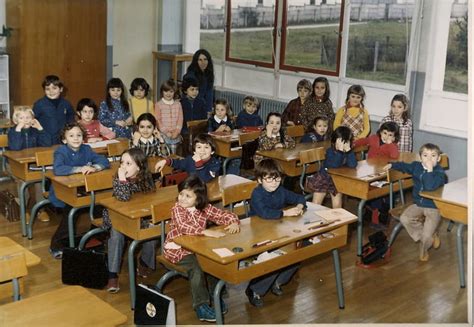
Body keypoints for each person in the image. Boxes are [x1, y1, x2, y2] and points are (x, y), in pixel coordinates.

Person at [163, 175, 239, 322]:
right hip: (177, 249)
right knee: (197, 268)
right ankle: (201, 306)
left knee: (213, 263)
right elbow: (183, 227)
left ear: (198, 199)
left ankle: (215, 296)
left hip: (198, 248)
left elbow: (223, 215)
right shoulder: (177, 209)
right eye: (181, 194)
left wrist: (233, 221)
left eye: (188, 196)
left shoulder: (204, 208)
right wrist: (204, 231)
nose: (182, 199)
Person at [246, 158, 305, 307]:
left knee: (298, 252)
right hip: (259, 233)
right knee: (273, 260)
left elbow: (299, 197)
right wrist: (285, 213)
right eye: (269, 179)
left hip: (277, 230)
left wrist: (299, 205)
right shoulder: (257, 193)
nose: (274, 183)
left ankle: (277, 282)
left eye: (277, 178)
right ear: (260, 180)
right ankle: (254, 290)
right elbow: (264, 213)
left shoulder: (281, 190)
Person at [49, 122, 110, 259]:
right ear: (64, 140)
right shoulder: (61, 151)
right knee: (71, 212)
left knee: (101, 207)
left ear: (83, 138)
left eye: (79, 135)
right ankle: (56, 245)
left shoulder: (86, 149)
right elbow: (58, 169)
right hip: (63, 192)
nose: (76, 138)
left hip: (83, 190)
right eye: (71, 136)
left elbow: (104, 161)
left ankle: (93, 238)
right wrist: (79, 169)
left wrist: (96, 167)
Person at [105, 148, 158, 293]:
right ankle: (112, 274)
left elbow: (148, 199)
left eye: (128, 163)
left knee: (152, 232)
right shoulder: (119, 178)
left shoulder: (145, 178)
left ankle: (143, 262)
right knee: (116, 235)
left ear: (139, 167)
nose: (123, 166)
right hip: (116, 217)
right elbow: (123, 197)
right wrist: (122, 179)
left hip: (138, 216)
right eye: (122, 162)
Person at [383, 143, 446, 261]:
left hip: (434, 206)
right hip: (418, 204)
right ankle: (429, 236)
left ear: (438, 158)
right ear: (420, 157)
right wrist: (392, 165)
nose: (429, 159)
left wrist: (430, 171)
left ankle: (424, 248)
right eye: (425, 155)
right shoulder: (416, 166)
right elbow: (404, 166)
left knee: (426, 238)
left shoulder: (440, 173)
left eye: (433, 156)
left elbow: (429, 186)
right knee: (405, 218)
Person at [8, 106, 52, 223]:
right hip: (16, 165)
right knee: (22, 183)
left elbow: (47, 144)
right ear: (16, 121)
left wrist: (40, 128)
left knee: (39, 181)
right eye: (21, 118)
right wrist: (18, 130)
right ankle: (23, 210)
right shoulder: (13, 132)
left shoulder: (35, 131)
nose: (25, 120)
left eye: (28, 117)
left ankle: (40, 209)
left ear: (33, 118)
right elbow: (15, 147)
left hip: (33, 164)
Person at [354, 122, 400, 229]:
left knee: (385, 193)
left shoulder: (392, 146)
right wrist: (353, 143)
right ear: (380, 132)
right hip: (369, 171)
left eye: (390, 135)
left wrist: (390, 144)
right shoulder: (373, 138)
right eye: (384, 133)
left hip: (382, 174)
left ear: (394, 137)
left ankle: (381, 216)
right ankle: (371, 215)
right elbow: (362, 141)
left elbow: (394, 155)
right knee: (372, 192)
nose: (386, 137)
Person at [306, 126, 357, 208]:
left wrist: (349, 151)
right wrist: (340, 152)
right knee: (316, 204)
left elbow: (353, 165)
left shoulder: (347, 152)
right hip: (324, 178)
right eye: (340, 142)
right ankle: (313, 219)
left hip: (336, 180)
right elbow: (334, 165)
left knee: (337, 206)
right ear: (334, 141)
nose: (342, 145)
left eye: (345, 142)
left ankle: (337, 220)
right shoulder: (330, 151)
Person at [155, 133, 220, 183]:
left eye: (206, 147)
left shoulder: (215, 164)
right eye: (199, 147)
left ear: (212, 151)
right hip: (191, 189)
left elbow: (204, 179)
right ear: (194, 150)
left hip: (207, 190)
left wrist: (198, 163)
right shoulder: (190, 160)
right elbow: (179, 163)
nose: (202, 150)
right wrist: (166, 161)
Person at [32, 75, 75, 144]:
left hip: (62, 140)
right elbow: (33, 121)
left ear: (61, 89)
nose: (51, 91)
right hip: (44, 140)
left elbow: (71, 118)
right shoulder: (39, 104)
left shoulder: (66, 104)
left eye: (54, 88)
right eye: (47, 89)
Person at [154, 79, 183, 154]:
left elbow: (180, 119)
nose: (168, 94)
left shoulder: (178, 104)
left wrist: (176, 132)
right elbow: (158, 120)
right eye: (166, 91)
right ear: (162, 92)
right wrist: (166, 132)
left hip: (176, 134)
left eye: (171, 91)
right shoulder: (158, 105)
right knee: (165, 154)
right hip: (163, 135)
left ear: (174, 92)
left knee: (174, 155)